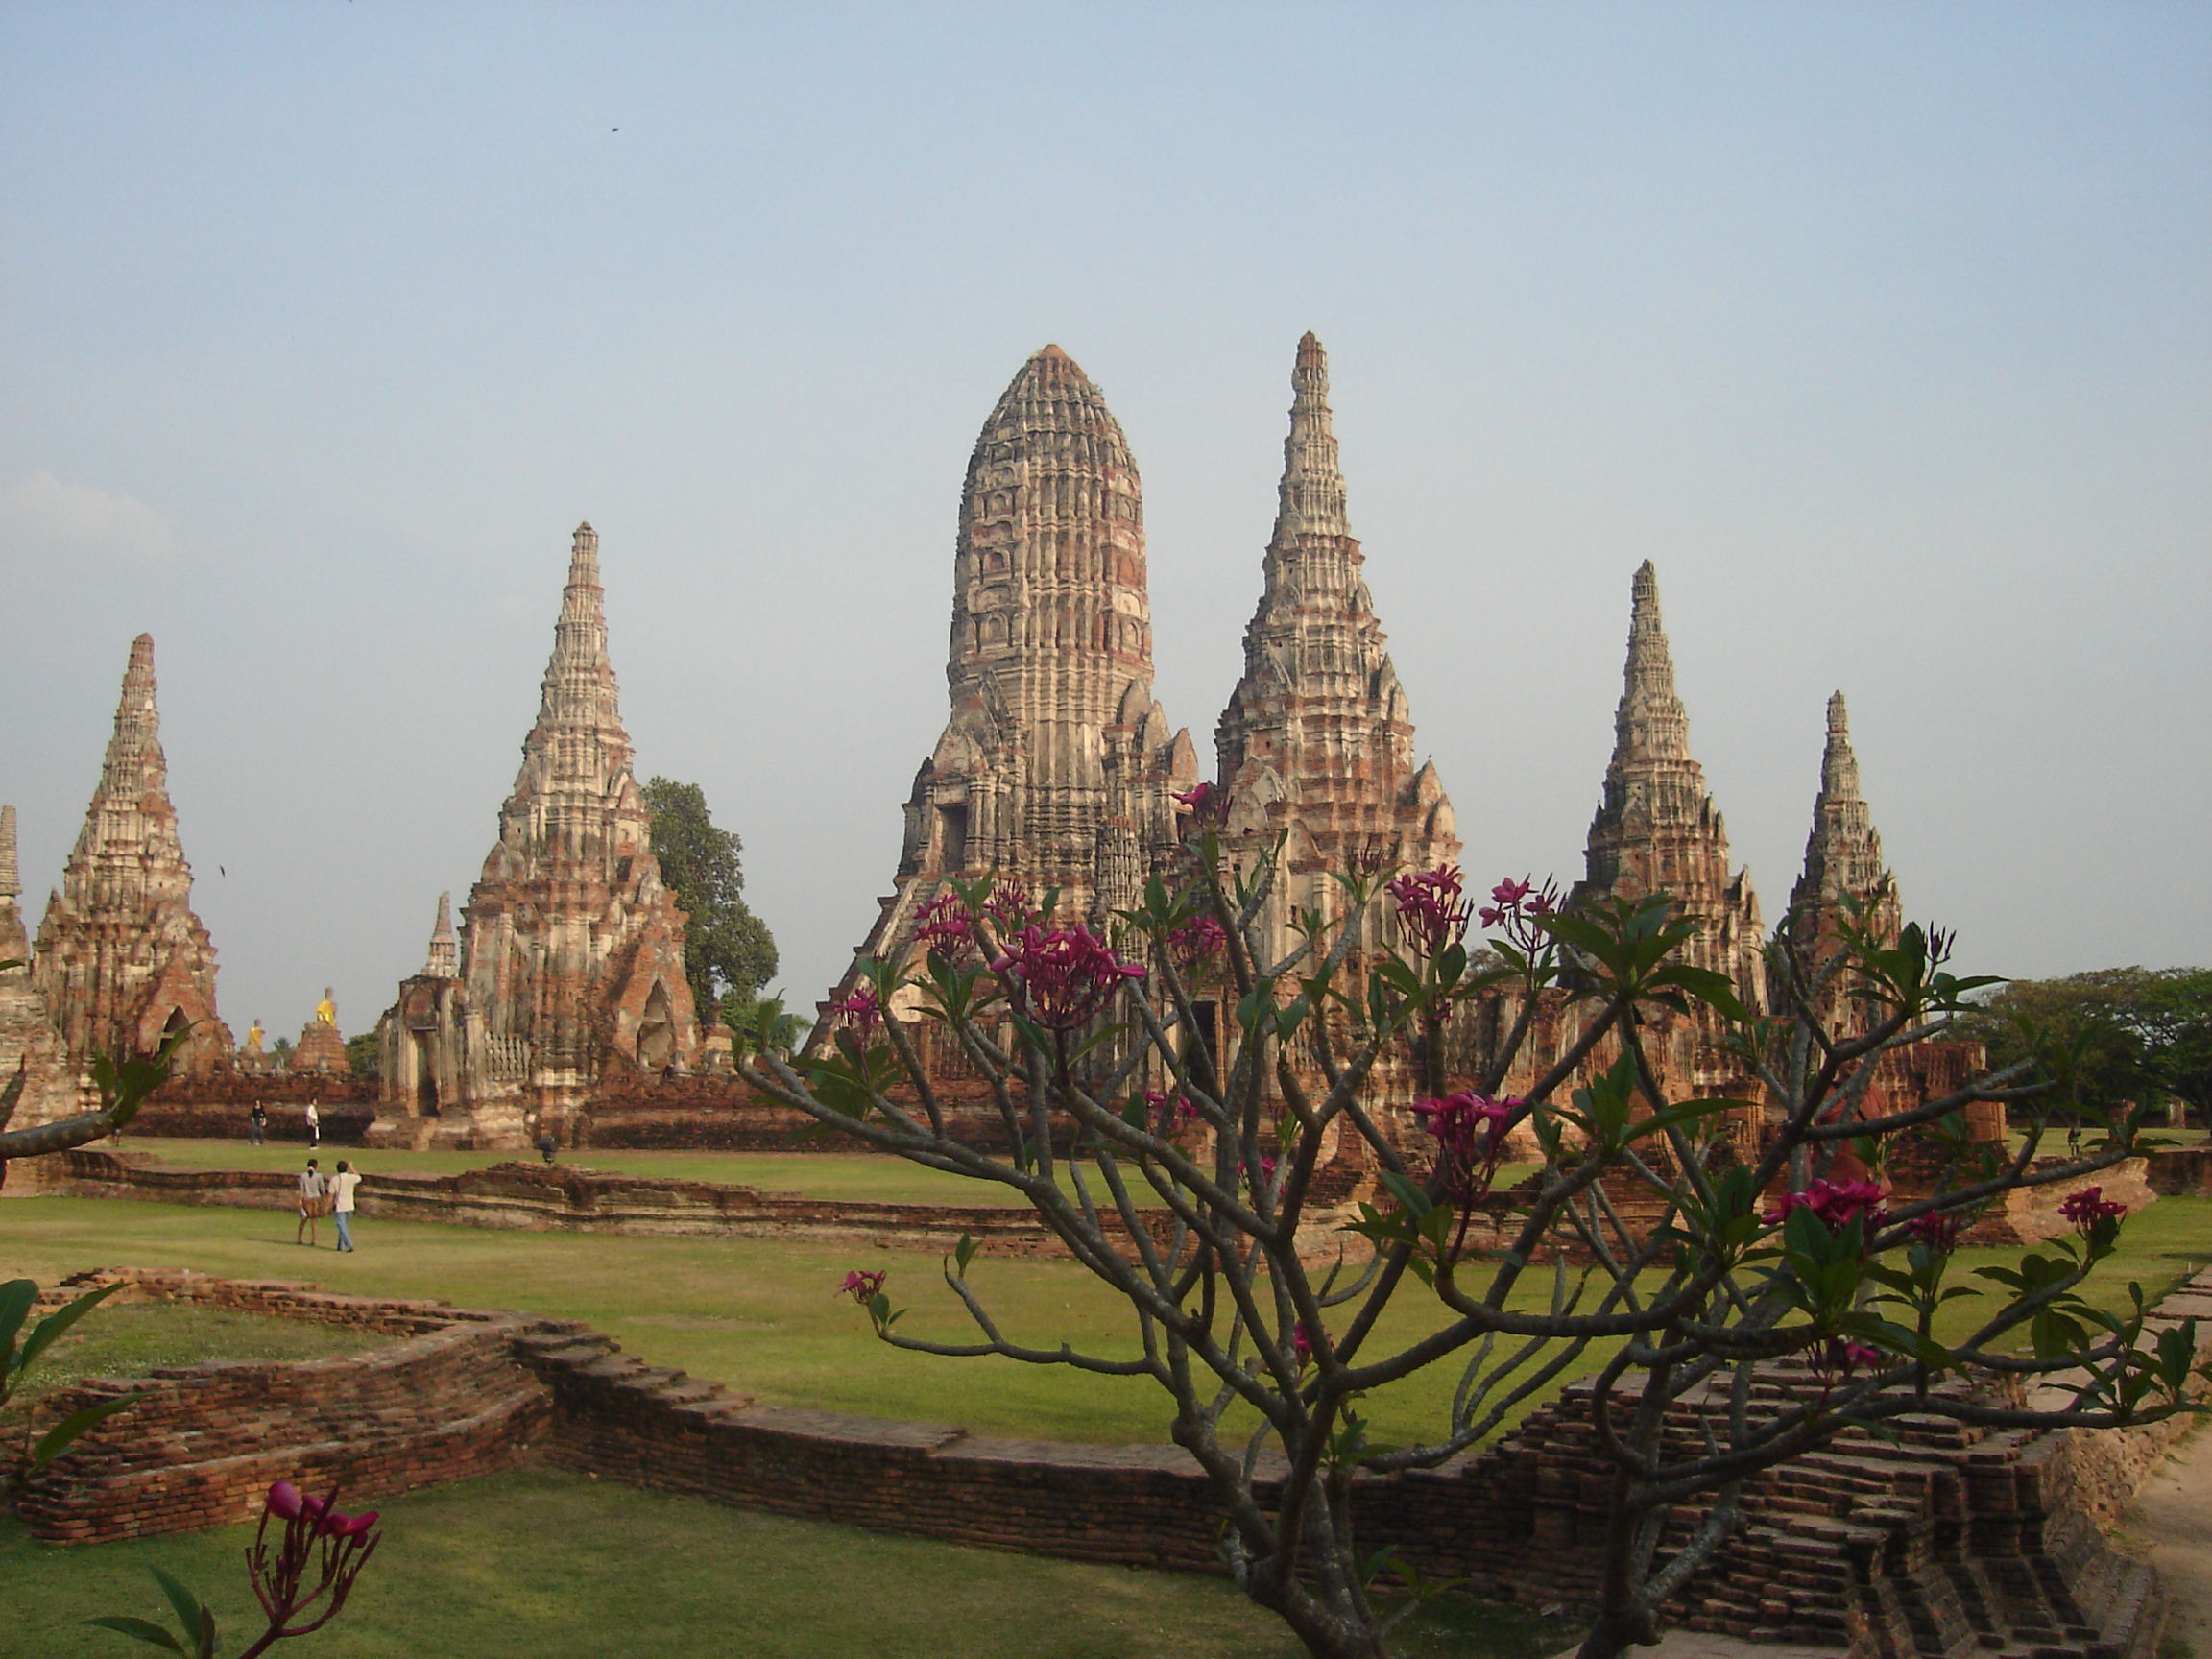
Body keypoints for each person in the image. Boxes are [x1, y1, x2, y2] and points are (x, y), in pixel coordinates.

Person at [329, 1159, 362, 1253]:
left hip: (340, 1206)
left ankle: (349, 1244)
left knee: (341, 1226)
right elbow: (358, 1177)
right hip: (349, 1206)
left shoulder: (334, 1179)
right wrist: (352, 1168)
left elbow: (331, 1194)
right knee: (342, 1226)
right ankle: (340, 1245)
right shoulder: (350, 1178)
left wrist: (328, 1205)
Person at [296, 1158, 326, 1247]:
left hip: (307, 1199)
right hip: (316, 1199)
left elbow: (301, 1189)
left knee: (304, 1219)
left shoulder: (303, 1176)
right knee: (314, 1220)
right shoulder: (318, 1176)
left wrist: (300, 1200)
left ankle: (299, 1238)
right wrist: (324, 1198)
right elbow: (322, 1188)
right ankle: (313, 1240)